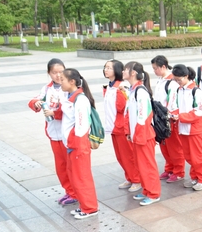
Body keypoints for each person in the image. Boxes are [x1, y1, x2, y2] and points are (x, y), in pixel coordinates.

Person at [28, 58, 76, 205]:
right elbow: (34, 101)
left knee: (71, 166)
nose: (58, 75)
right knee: (60, 166)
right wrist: (36, 103)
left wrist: (55, 113)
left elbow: (71, 109)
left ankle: (75, 192)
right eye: (54, 72)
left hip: (67, 134)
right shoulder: (47, 89)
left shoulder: (68, 87)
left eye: (61, 72)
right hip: (54, 134)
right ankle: (68, 191)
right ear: (49, 73)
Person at [60, 68, 98, 219]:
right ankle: (84, 205)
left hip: (78, 146)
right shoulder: (71, 97)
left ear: (72, 82)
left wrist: (74, 143)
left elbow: (82, 127)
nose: (60, 82)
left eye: (62, 79)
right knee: (76, 177)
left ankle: (90, 208)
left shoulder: (80, 100)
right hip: (72, 145)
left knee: (82, 177)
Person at [124, 61, 161, 206]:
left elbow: (143, 116)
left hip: (144, 135)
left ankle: (154, 193)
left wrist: (138, 135)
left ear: (133, 72)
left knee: (148, 165)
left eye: (125, 69)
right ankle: (147, 190)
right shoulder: (133, 90)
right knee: (141, 165)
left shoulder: (141, 91)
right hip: (137, 135)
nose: (123, 72)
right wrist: (130, 132)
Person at [171, 65, 202, 191]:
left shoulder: (196, 91)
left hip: (194, 129)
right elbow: (176, 106)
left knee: (197, 156)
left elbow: (200, 111)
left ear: (186, 76)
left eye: (179, 79)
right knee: (188, 155)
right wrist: (174, 114)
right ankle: (195, 177)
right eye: (176, 80)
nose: (178, 82)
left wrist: (181, 116)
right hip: (183, 127)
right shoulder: (179, 90)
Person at [102, 59, 140, 192]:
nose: (106, 70)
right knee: (120, 156)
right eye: (105, 67)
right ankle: (129, 177)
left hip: (121, 127)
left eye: (109, 68)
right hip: (113, 127)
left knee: (128, 155)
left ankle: (136, 179)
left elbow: (124, 108)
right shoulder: (110, 87)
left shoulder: (121, 87)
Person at [151, 55, 185, 183]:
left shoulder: (172, 82)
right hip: (160, 118)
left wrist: (169, 116)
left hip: (169, 119)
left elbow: (173, 102)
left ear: (163, 67)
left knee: (174, 147)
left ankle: (179, 171)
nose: (154, 71)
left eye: (155, 68)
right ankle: (169, 168)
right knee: (164, 146)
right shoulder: (160, 80)